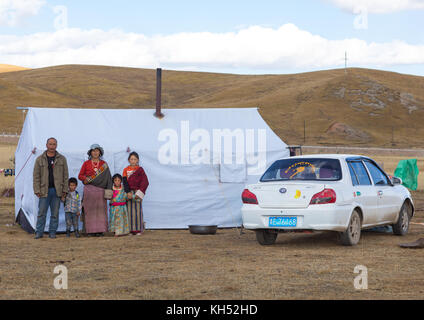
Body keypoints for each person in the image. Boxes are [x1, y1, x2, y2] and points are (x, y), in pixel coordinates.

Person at [33, 137, 69, 239]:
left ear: (56, 145)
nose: (52, 146)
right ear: (46, 145)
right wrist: (36, 190)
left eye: (54, 144)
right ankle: (39, 232)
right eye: (50, 144)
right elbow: (36, 176)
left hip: (57, 190)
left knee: (55, 214)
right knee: (41, 213)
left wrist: (64, 190)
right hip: (44, 190)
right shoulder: (39, 159)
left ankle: (52, 232)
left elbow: (65, 176)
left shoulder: (62, 159)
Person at [78, 144, 112, 236]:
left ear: (100, 152)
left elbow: (109, 178)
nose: (95, 152)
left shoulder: (104, 164)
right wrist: (86, 178)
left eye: (97, 150)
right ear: (90, 153)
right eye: (93, 151)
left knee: (101, 212)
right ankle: (90, 231)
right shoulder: (86, 163)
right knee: (90, 211)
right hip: (89, 191)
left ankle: (100, 231)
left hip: (100, 191)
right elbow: (80, 176)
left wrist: (109, 192)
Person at [123, 152, 149, 235]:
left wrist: (140, 193)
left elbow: (144, 182)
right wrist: (128, 192)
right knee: (129, 211)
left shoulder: (140, 170)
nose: (133, 161)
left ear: (137, 160)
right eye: (131, 159)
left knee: (138, 211)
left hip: (137, 192)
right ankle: (130, 230)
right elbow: (125, 182)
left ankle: (138, 230)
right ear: (128, 160)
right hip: (129, 192)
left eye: (135, 159)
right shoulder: (125, 169)